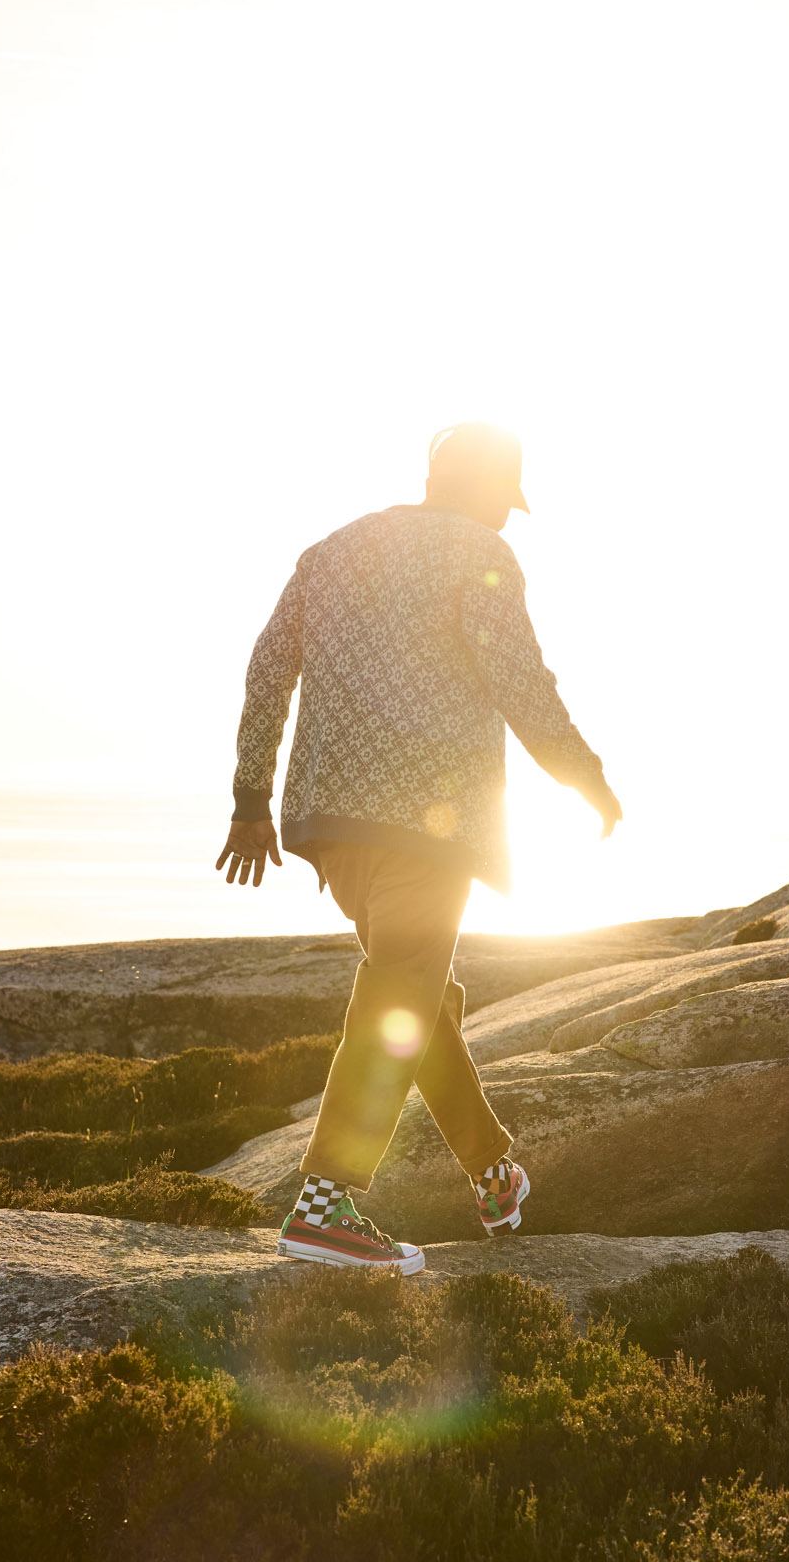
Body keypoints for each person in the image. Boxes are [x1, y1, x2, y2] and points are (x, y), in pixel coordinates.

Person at [217, 422, 621, 1275]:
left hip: (328, 821)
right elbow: (520, 680)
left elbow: (266, 665)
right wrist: (583, 775)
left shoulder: (334, 549)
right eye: (504, 502)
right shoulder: (480, 554)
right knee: (403, 985)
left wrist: (252, 799)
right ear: (478, 491)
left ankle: (493, 1174)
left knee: (415, 994)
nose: (507, 522)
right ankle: (324, 1202)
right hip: (428, 823)